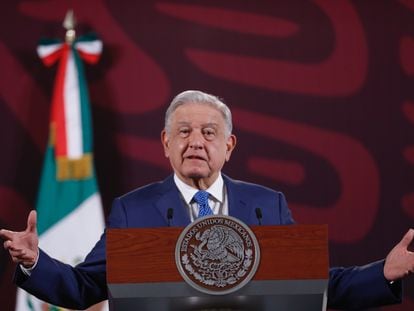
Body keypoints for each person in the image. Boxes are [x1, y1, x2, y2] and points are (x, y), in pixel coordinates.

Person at [1, 90, 413, 310]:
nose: (196, 141)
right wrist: (37, 261)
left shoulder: (266, 205)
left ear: (229, 145)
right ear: (165, 143)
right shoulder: (134, 209)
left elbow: (315, 284)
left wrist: (384, 274)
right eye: (183, 131)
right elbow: (86, 287)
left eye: (209, 132)